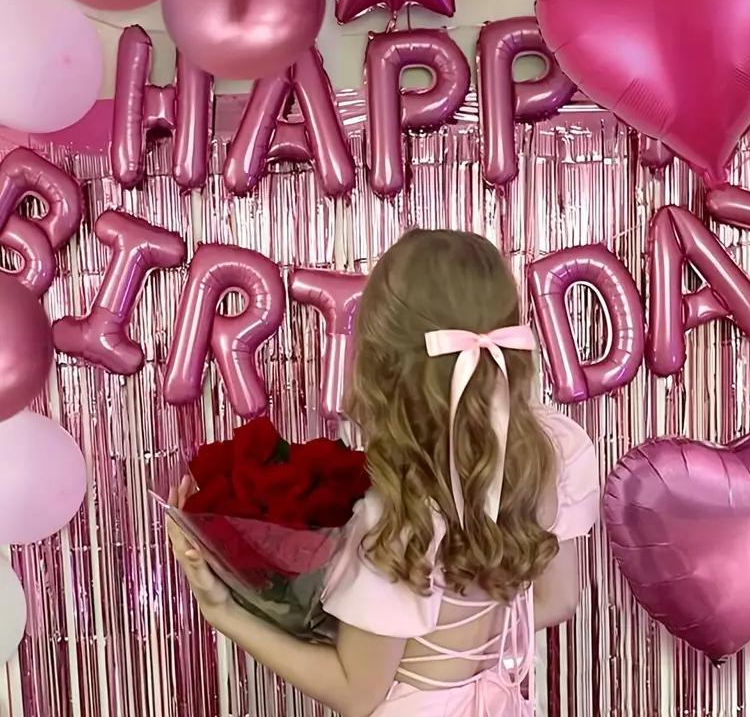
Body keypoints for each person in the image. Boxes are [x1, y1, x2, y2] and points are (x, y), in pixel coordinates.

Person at [168, 229, 600, 717]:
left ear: (383, 365)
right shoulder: (555, 451)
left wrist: (222, 610)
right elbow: (559, 601)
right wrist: (455, 650)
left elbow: (357, 692)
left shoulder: (399, 513)